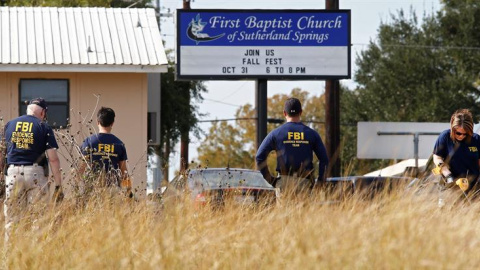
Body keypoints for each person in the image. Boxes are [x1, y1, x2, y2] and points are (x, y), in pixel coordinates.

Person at [1, 98, 63, 241]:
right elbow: (53, 159)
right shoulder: (43, 126)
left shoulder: (9, 125)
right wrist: (59, 186)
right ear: (42, 112)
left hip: (12, 174)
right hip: (35, 174)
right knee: (37, 220)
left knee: (11, 220)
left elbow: (1, 152)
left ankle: (9, 258)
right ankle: (36, 257)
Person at [255, 97, 329, 195]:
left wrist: (271, 180)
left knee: (284, 211)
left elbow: (259, 157)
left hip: (283, 183)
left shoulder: (276, 134)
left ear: (284, 113)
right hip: (305, 182)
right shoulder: (312, 134)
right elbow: (324, 159)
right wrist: (320, 181)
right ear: (301, 112)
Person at [432, 109, 480, 204]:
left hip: (474, 188)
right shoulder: (445, 137)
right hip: (450, 185)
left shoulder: (477, 140)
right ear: (452, 127)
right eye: (458, 133)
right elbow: (437, 157)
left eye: (465, 134)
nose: (462, 136)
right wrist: (448, 175)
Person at [80, 107, 130, 195]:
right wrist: (129, 191)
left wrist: (77, 188)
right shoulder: (119, 144)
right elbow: (124, 172)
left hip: (92, 189)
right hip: (113, 190)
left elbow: (81, 168)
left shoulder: (88, 142)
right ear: (112, 123)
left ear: (97, 122)